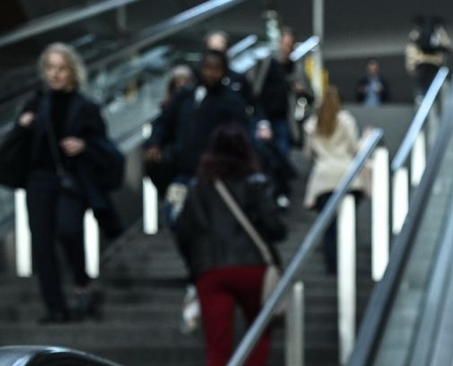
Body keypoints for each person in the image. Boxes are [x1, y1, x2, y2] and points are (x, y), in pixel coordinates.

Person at [173, 123, 286, 366]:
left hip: (210, 271)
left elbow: (183, 231)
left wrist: (195, 267)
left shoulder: (197, 188)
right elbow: (274, 227)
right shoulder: (256, 183)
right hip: (251, 267)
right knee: (260, 327)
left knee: (217, 343)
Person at [15, 43, 119, 323]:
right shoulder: (36, 105)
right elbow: (19, 147)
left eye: (61, 68)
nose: (56, 74)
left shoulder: (85, 107)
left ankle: (82, 281)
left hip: (72, 179)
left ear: (71, 70)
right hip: (38, 180)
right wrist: (22, 126)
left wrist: (83, 145)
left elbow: (104, 145)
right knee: (41, 244)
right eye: (50, 68)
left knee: (69, 228)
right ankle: (55, 308)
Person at [146, 50, 249, 210]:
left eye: (216, 69)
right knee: (174, 214)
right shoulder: (186, 95)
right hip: (183, 168)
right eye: (207, 68)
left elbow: (240, 135)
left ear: (224, 71)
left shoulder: (232, 102)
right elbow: (164, 121)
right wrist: (154, 143)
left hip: (214, 174)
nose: (211, 73)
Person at [303, 87, 366, 274]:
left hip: (323, 180)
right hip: (347, 178)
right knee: (346, 224)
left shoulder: (312, 125)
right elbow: (356, 148)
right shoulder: (346, 121)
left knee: (329, 227)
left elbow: (308, 154)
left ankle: (333, 267)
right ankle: (347, 265)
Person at [253, 28, 314, 159]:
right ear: (280, 43)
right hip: (263, 114)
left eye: (290, 45)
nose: (287, 48)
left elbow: (310, 97)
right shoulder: (266, 64)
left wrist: (300, 91)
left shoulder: (296, 68)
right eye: (285, 44)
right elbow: (256, 89)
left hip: (284, 117)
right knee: (261, 153)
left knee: (282, 154)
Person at [405, 16, 450, 101]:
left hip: (434, 64)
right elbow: (411, 51)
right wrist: (411, 66)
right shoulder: (416, 34)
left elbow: (445, 48)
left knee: (434, 86)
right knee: (422, 86)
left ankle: (432, 100)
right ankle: (421, 99)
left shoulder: (439, 34)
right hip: (422, 63)